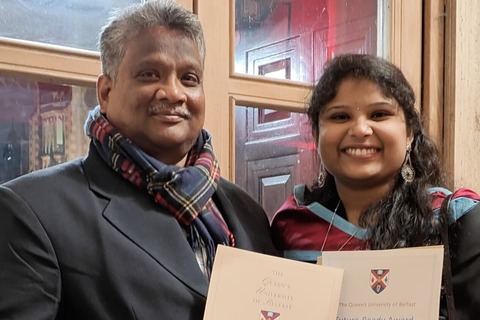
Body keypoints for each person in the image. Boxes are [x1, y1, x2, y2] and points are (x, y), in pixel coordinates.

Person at [0, 1, 277, 319]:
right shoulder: (32, 210)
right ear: (105, 92)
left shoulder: (248, 213)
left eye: (189, 78)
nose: (173, 93)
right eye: (149, 75)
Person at [270, 53, 480, 319]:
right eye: (340, 116)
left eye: (379, 114)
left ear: (409, 134)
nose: (360, 129)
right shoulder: (292, 225)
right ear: (316, 135)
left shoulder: (456, 222)